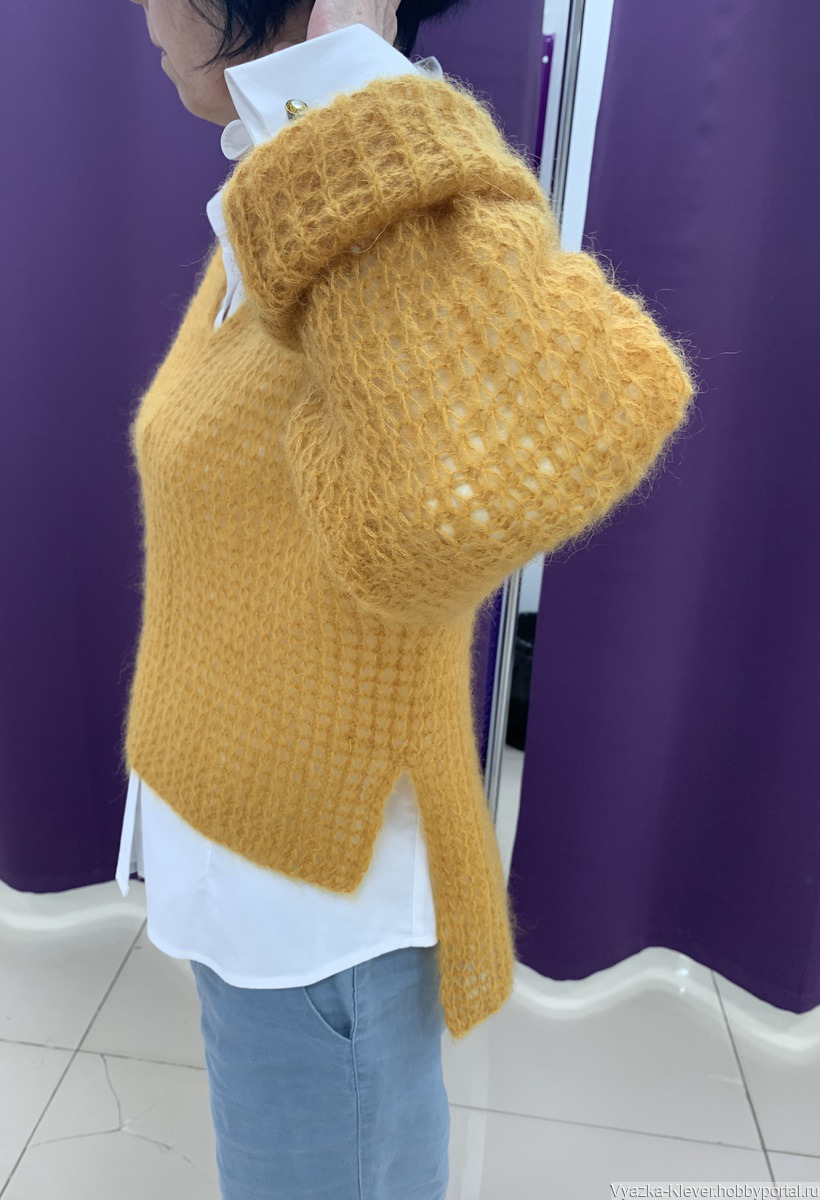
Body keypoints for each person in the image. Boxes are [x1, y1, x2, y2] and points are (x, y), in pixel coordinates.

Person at [118, 2, 698, 1197]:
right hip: (245, 871)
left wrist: (339, 73)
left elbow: (465, 503)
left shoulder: (384, 210)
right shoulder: (293, 190)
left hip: (319, 915)